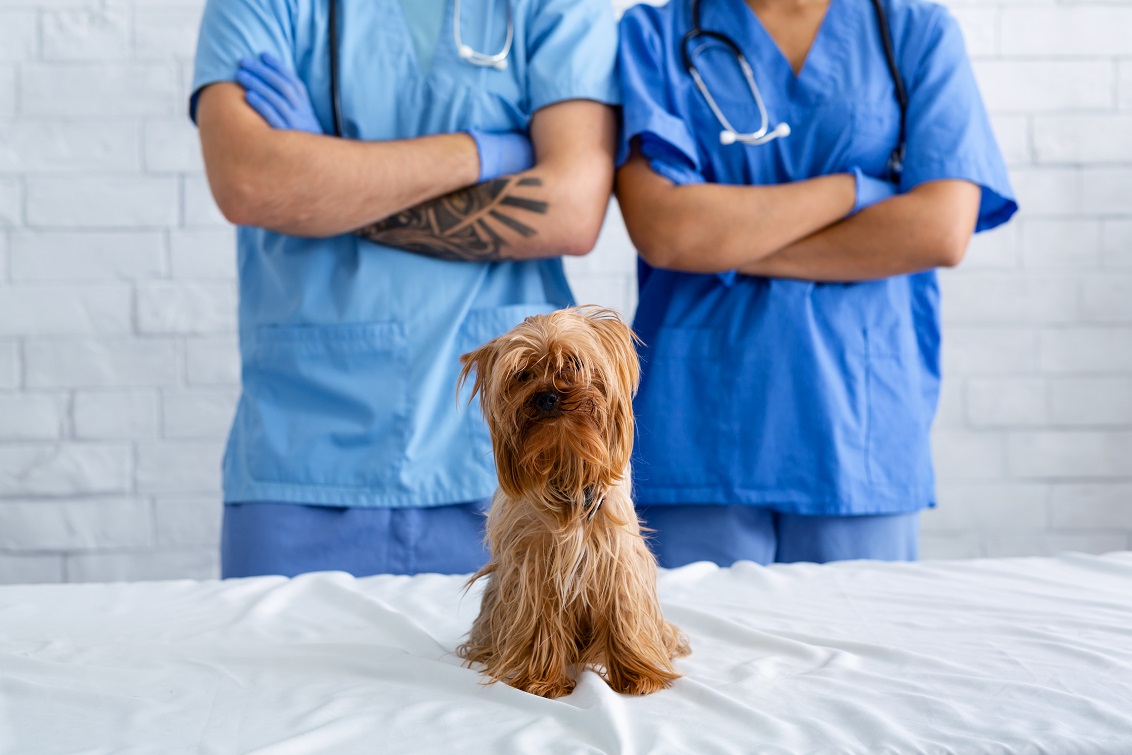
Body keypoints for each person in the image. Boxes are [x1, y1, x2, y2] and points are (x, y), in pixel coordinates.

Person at [190, 0, 619, 577]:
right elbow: (249, 181)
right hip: (302, 454)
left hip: (510, 462)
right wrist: (486, 151)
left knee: (518, 664)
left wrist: (330, 188)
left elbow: (569, 208)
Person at [615, 0, 1017, 567]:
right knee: (691, 652)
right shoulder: (655, 34)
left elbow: (941, 231)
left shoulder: (914, 32)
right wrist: (855, 191)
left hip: (858, 435)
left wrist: (727, 243)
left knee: (865, 648)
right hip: (698, 432)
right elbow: (668, 232)